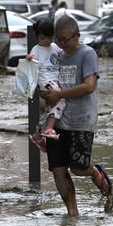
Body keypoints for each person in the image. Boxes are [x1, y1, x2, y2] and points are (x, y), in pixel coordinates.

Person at [42, 16, 113, 215]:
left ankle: (95, 172)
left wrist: (60, 94)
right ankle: (72, 215)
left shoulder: (87, 53)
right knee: (58, 170)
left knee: (78, 168)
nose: (62, 44)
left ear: (77, 36)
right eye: (59, 40)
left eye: (65, 39)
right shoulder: (57, 55)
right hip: (57, 121)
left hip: (81, 121)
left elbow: (89, 86)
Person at [27, 18, 67, 152]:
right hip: (45, 82)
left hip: (54, 81)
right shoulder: (36, 49)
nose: (46, 41)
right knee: (61, 99)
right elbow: (31, 61)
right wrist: (29, 58)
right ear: (37, 36)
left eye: (49, 38)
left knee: (47, 110)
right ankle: (49, 128)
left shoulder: (54, 47)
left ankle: (38, 135)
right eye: (43, 38)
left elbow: (64, 55)